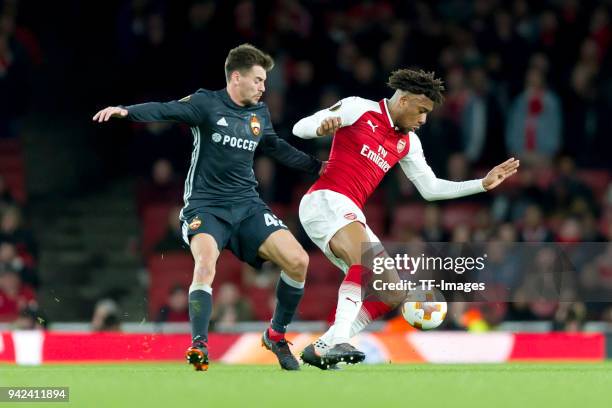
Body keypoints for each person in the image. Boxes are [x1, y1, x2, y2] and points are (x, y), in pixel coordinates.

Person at [93, 43, 324, 371]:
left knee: (298, 260)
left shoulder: (259, 113)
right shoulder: (206, 103)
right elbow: (166, 109)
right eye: (257, 80)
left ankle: (275, 334)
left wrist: (317, 166)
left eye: (264, 81)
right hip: (206, 206)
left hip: (247, 206)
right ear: (236, 78)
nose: (263, 87)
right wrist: (126, 110)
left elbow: (275, 146)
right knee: (205, 263)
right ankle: (199, 346)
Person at [293, 69, 520, 368]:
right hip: (325, 199)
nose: (423, 120)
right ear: (404, 99)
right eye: (421, 110)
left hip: (349, 212)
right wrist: (321, 127)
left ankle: (323, 345)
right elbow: (299, 128)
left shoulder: (408, 142)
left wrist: (480, 184)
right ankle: (339, 343)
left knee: (392, 291)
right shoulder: (359, 108)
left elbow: (430, 188)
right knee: (362, 261)